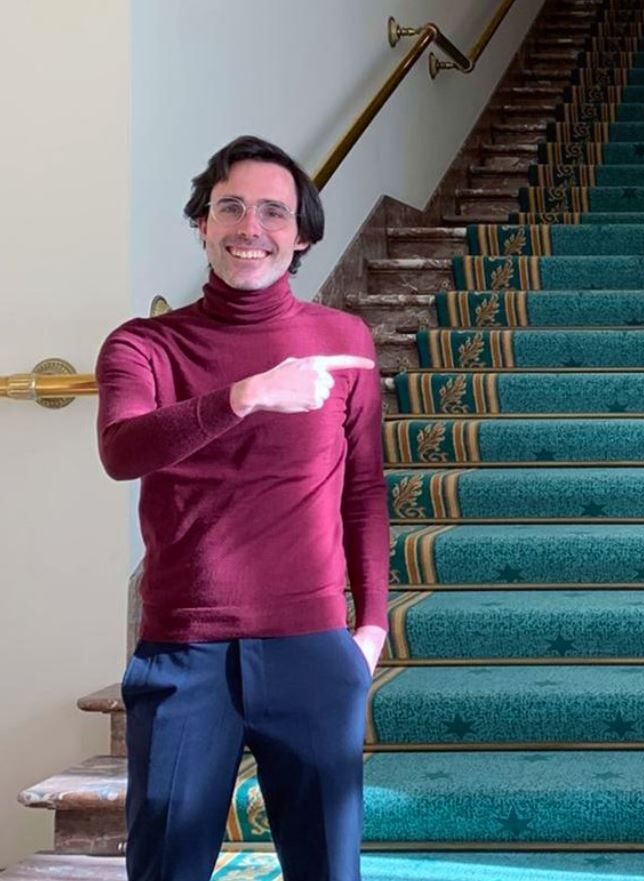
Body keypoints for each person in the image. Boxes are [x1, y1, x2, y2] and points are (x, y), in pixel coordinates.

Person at [95, 135, 388, 881]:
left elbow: (363, 490)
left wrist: (372, 627)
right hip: (184, 650)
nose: (249, 227)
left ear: (302, 235)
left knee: (328, 869)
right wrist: (246, 395)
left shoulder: (343, 341)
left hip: (313, 648)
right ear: (202, 224)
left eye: (272, 212)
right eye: (229, 207)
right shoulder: (144, 346)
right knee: (166, 867)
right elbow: (122, 450)